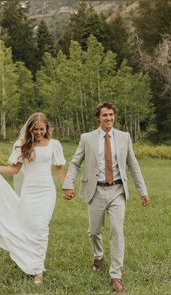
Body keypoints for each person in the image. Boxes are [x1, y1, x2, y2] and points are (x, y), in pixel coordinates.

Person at [63, 101, 149, 292]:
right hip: (96, 191)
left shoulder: (124, 137)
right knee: (94, 231)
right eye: (105, 115)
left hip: (118, 191)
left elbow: (133, 165)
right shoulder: (87, 138)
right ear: (98, 118)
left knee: (117, 231)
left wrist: (142, 191)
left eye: (111, 115)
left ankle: (116, 275)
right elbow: (75, 162)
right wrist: (68, 184)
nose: (108, 118)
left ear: (114, 116)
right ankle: (99, 255)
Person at [0, 112, 66, 284]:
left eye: (42, 129)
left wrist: (66, 186)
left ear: (47, 128)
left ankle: (38, 269)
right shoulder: (22, 145)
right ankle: (27, 258)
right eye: (35, 129)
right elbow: (14, 169)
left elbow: (58, 168)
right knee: (29, 226)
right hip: (29, 191)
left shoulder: (54, 144)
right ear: (30, 129)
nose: (39, 132)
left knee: (41, 227)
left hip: (46, 191)